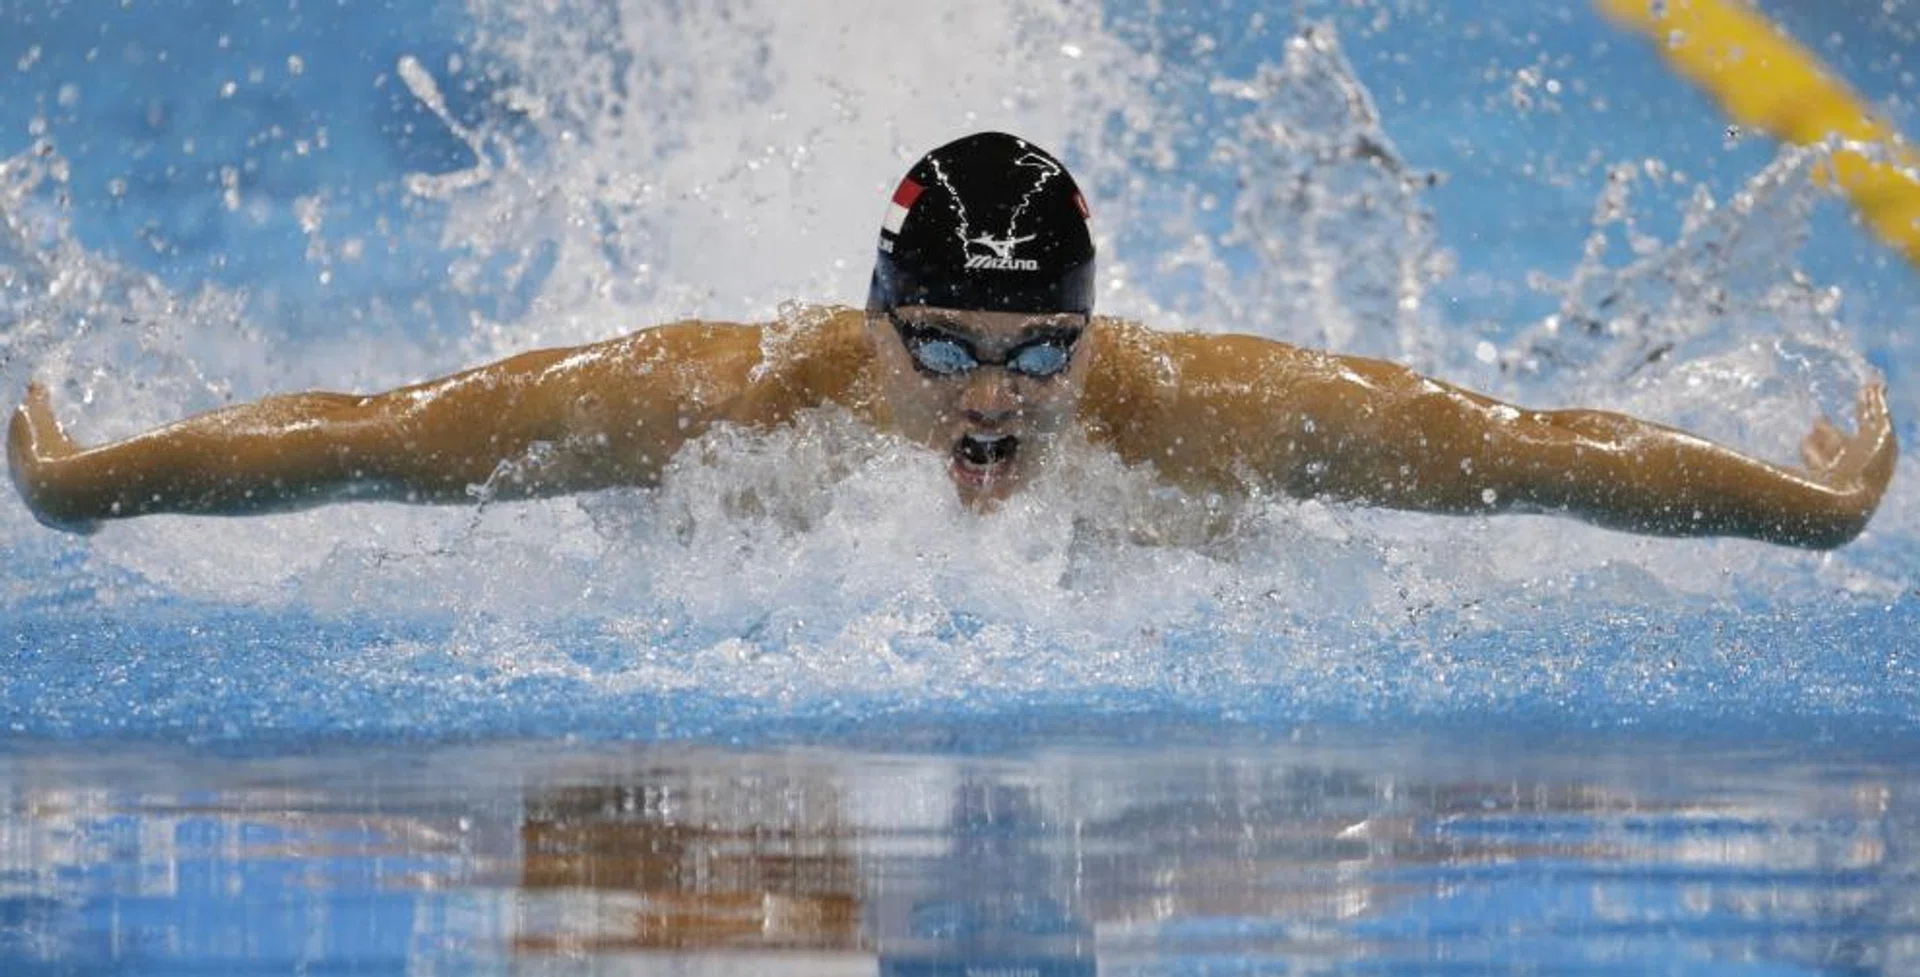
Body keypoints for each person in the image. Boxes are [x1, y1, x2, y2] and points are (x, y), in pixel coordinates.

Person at [4, 132, 1899, 548]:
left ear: (1096, 332)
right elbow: (370, 433)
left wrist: (1801, 515)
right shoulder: (720, 399)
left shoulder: (1208, 414)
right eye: (950, 351)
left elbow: (1528, 453)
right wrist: (91, 488)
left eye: (1039, 357)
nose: (993, 401)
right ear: (873, 321)